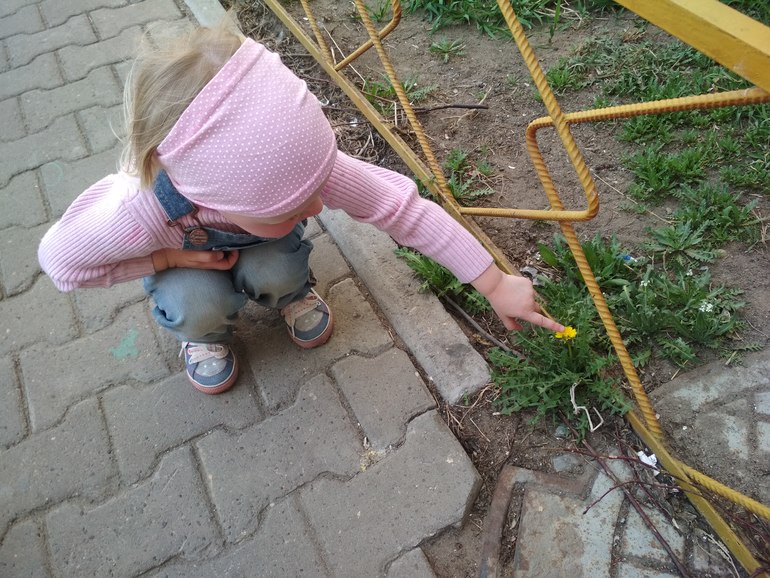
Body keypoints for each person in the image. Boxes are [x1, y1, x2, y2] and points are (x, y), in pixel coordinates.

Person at [38, 21, 563, 395]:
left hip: (250, 242)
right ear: (206, 195)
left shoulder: (300, 167)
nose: (317, 203)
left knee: (277, 266)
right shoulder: (139, 212)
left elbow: (401, 208)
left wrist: (494, 282)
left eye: (316, 184)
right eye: (288, 206)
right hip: (181, 258)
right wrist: (163, 259)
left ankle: (288, 293)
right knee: (195, 303)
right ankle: (204, 338)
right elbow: (61, 264)